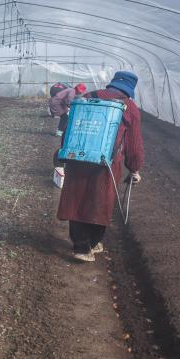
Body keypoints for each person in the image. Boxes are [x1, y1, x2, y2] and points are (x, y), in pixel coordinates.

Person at [56, 71, 144, 262]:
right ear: (129, 90)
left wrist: (65, 151)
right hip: (106, 164)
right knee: (100, 201)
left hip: (78, 157)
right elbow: (133, 144)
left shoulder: (88, 97)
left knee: (77, 199)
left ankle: (80, 246)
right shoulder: (129, 107)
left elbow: (71, 126)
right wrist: (134, 169)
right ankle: (93, 243)